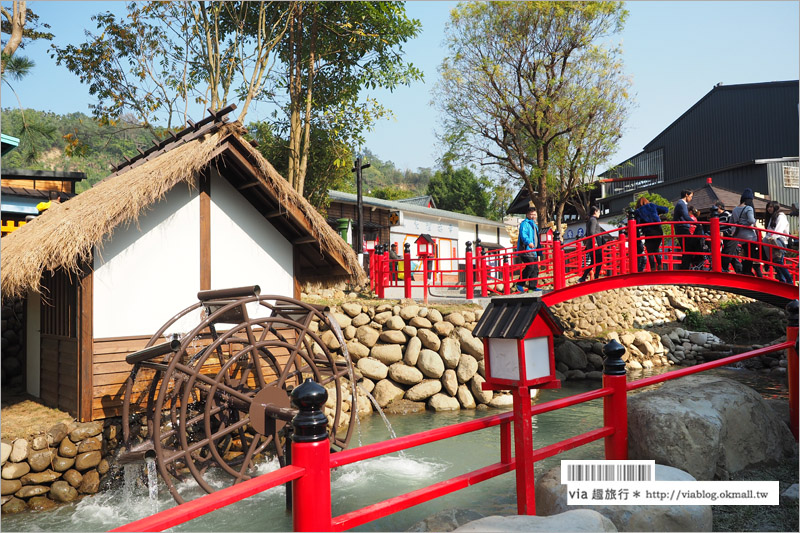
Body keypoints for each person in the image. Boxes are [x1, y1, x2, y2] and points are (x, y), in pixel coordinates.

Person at [730, 188, 762, 277]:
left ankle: (744, 271)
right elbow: (751, 220)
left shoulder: (735, 209)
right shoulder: (749, 208)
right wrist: (754, 222)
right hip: (749, 236)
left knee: (745, 254)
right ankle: (747, 271)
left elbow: (730, 222)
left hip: (739, 236)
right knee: (750, 254)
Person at [633, 196, 669, 271]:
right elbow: (666, 209)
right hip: (658, 230)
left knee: (650, 250)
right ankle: (659, 266)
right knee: (656, 249)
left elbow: (637, 223)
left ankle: (653, 268)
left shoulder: (638, 211)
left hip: (649, 231)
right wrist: (657, 213)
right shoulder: (652, 206)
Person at [764, 201, 792, 284]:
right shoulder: (772, 217)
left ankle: (788, 280)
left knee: (779, 261)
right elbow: (769, 230)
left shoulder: (781, 216)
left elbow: (779, 230)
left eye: (771, 207)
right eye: (768, 207)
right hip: (771, 240)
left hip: (779, 240)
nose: (769, 209)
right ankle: (782, 281)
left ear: (776, 207)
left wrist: (772, 238)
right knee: (776, 263)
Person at [516, 205, 541, 293]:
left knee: (535, 269)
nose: (533, 216)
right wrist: (529, 242)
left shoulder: (534, 225)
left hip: (533, 251)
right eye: (531, 214)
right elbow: (523, 235)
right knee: (530, 266)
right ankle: (519, 284)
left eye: (534, 214)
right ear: (527, 215)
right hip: (525, 249)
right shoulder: (525, 224)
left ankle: (532, 287)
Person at [714, 201, 741, 274]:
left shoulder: (728, 215)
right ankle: (740, 272)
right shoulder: (718, 217)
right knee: (733, 258)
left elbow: (733, 227)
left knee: (726, 256)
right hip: (725, 239)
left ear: (719, 207)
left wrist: (724, 233)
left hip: (731, 238)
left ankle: (724, 271)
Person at [578, 206, 603, 282]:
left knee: (593, 261)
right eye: (598, 212)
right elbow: (592, 232)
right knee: (599, 261)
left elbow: (587, 233)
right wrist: (595, 242)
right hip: (595, 242)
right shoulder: (593, 220)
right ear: (595, 211)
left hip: (591, 242)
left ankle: (584, 277)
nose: (599, 213)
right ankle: (596, 277)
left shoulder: (589, 220)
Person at [673, 189, 694, 270]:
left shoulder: (681, 204)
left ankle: (685, 267)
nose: (691, 198)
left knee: (686, 249)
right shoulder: (681, 204)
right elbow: (686, 216)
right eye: (691, 196)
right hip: (682, 228)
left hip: (681, 228)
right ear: (686, 195)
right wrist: (695, 223)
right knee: (688, 249)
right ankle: (684, 268)